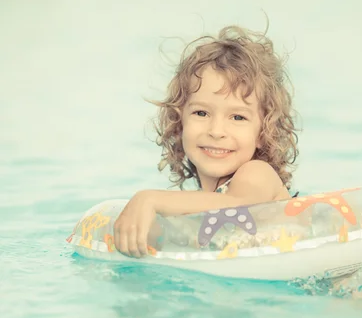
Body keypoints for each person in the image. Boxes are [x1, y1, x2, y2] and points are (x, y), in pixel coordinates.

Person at [114, 25, 299, 258]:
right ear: (179, 121)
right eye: (201, 113)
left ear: (264, 133)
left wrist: (149, 199)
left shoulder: (257, 173)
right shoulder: (204, 200)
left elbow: (241, 204)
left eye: (238, 117)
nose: (216, 131)